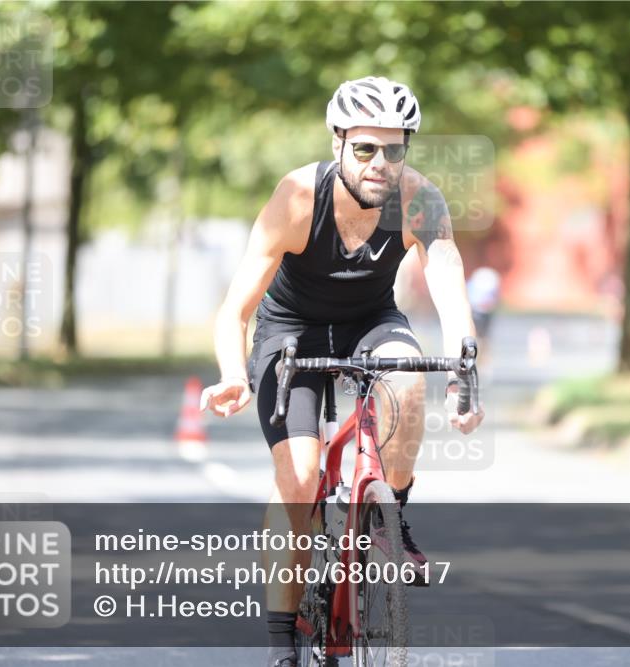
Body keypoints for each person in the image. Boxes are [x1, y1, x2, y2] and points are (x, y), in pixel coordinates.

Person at [200, 76, 485, 667]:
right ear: (338, 144)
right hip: (290, 332)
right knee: (301, 479)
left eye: (393, 149)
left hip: (371, 322)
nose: (380, 163)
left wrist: (464, 371)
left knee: (408, 381)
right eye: (365, 148)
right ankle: (282, 640)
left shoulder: (420, 200)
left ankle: (389, 515)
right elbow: (235, 309)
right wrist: (232, 372)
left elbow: (447, 282)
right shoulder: (298, 197)